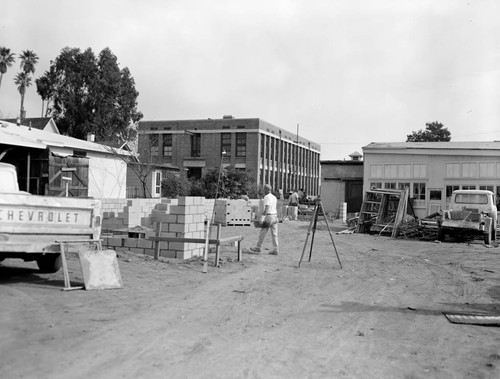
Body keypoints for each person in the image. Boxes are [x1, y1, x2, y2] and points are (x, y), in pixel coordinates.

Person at [251, 184, 279, 255]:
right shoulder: (274, 197)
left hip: (269, 216)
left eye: (264, 189)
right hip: (274, 216)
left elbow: (267, 207)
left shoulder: (266, 197)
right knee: (274, 234)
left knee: (263, 232)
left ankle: (258, 247)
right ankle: (275, 249)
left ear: (266, 189)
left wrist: (262, 217)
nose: (263, 191)